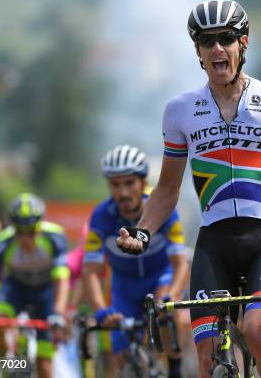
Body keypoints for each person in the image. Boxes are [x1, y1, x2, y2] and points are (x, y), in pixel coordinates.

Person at [117, 0, 261, 378]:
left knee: (260, 333)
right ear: (197, 50)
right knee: (206, 352)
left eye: (226, 38)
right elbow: (166, 189)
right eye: (207, 41)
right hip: (214, 242)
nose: (217, 48)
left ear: (242, 43)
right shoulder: (180, 110)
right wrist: (143, 230)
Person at [82, 144, 189, 378]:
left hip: (160, 278)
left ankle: (175, 370)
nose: (122, 192)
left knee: (168, 317)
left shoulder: (163, 209)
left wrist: (173, 295)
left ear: (142, 182)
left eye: (129, 183)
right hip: (124, 288)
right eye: (115, 184)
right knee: (118, 360)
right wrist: (101, 311)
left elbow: (180, 263)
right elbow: (89, 271)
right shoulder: (101, 216)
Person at [0, 193, 70, 378]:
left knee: (44, 365)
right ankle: (5, 368)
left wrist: (58, 313)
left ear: (39, 227)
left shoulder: (55, 238)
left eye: (31, 231)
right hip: (15, 290)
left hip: (44, 294)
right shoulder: (1, 244)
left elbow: (62, 280)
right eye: (19, 232)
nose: (25, 239)